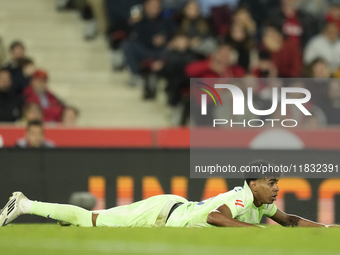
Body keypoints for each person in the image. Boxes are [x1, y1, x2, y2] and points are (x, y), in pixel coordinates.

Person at [1, 160, 338, 228]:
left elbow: (292, 222)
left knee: (91, 221)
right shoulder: (240, 198)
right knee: (89, 219)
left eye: (278, 182)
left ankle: (67, 221)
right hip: (159, 215)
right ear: (253, 184)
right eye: (271, 182)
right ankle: (25, 203)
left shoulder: (260, 204)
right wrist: (256, 234)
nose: (277, 188)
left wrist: (327, 231)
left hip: (171, 209)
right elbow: (213, 216)